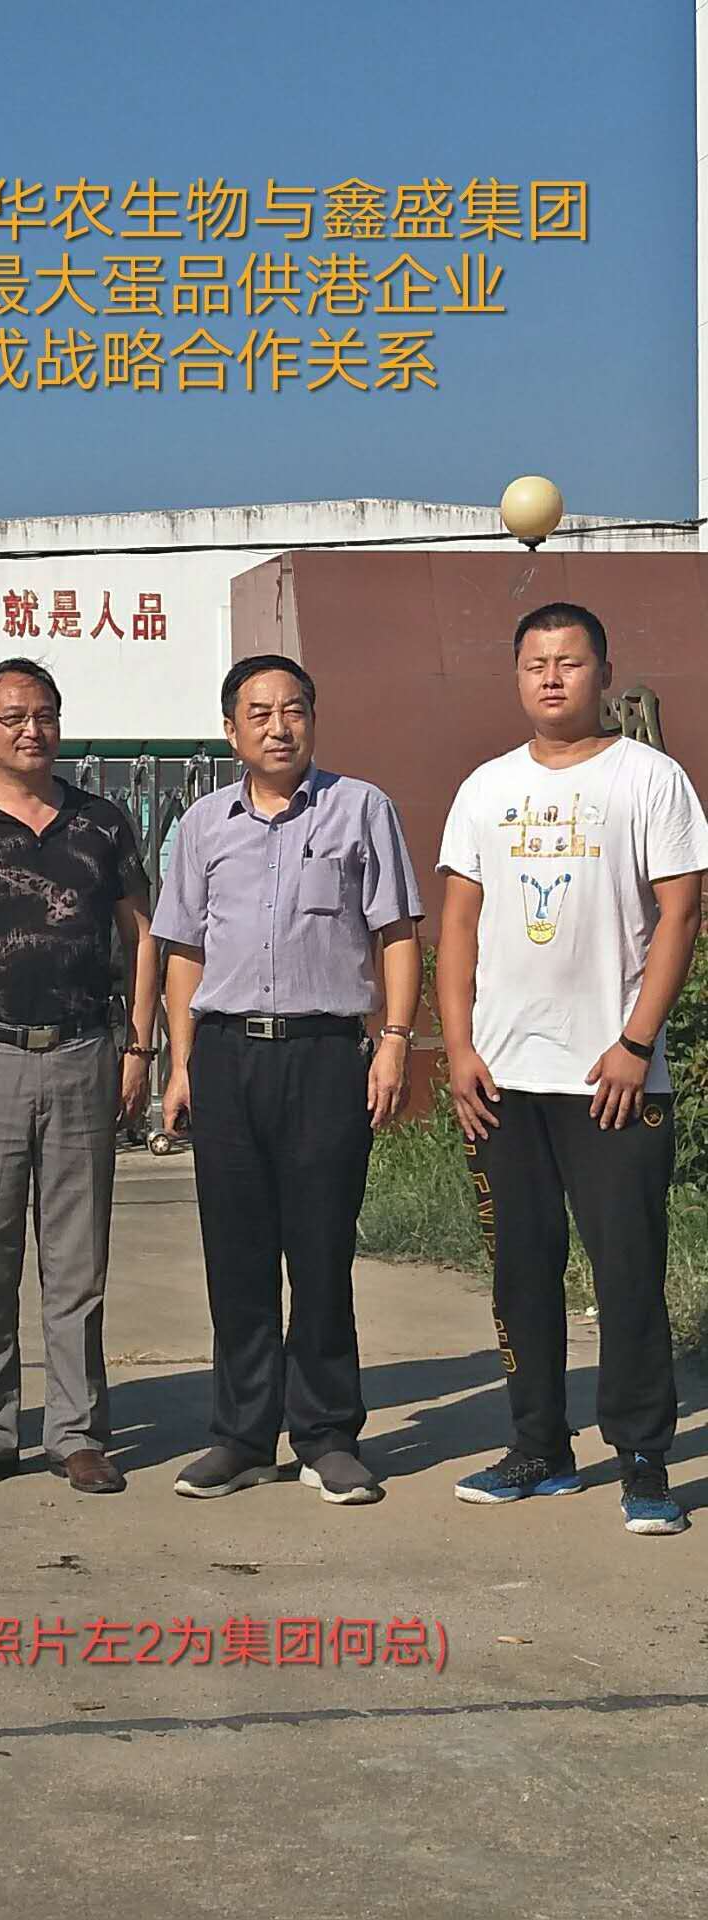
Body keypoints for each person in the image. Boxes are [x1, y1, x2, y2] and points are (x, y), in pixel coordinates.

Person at [436, 602, 708, 1535]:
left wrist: (635, 1043)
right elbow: (458, 924)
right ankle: (538, 1446)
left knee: (627, 1272)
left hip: (611, 1079)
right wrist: (460, 1048)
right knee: (521, 1271)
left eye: (570, 661)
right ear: (517, 677)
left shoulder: (649, 778)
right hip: (503, 1079)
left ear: (603, 673)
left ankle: (642, 1458)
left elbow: (680, 914)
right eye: (536, 663)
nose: (552, 677)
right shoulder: (486, 788)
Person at [152, 655, 423, 1504]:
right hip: (227, 1056)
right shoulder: (203, 824)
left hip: (325, 1055)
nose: (279, 727)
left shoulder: (362, 809)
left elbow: (396, 933)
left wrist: (394, 1042)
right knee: (236, 1259)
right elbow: (184, 949)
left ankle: (327, 1435)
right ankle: (241, 1437)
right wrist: (180, 1063)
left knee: (321, 1252)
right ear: (231, 730)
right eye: (260, 713)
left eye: (294, 709)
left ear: (313, 717)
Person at [0, 658, 157, 1496]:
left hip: (84, 1052)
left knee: (78, 1260)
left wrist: (138, 1049)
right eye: (12, 717)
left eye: (44, 714)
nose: (31, 730)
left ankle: (77, 1432)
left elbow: (141, 937)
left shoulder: (101, 822)